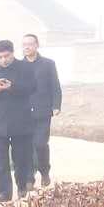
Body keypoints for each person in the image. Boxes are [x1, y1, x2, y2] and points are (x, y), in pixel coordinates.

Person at [0, 40, 38, 202]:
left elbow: (32, 88)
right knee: (0, 161)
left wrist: (12, 86)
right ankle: (4, 193)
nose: (3, 60)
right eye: (0, 57)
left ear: (13, 53)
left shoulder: (25, 68)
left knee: (21, 158)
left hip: (20, 121)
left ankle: (22, 188)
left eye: (6, 56)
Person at [22, 33, 62, 187]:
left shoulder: (48, 64)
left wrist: (56, 105)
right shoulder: (19, 66)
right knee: (26, 145)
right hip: (24, 112)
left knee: (40, 144)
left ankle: (44, 171)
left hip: (43, 111)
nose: (27, 47)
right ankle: (29, 177)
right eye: (24, 44)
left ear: (37, 45)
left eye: (30, 44)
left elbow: (55, 86)